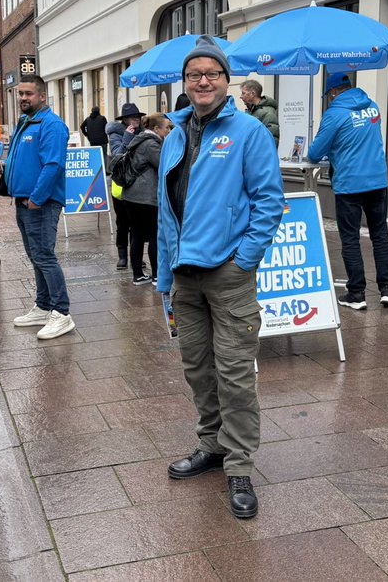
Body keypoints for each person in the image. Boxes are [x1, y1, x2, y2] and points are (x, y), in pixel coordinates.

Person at [156, 35, 283, 519]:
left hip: (228, 275)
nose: (203, 81)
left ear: (227, 81)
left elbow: (269, 201)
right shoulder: (173, 136)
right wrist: (164, 279)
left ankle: (240, 466)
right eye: (194, 75)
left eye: (212, 73)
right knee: (198, 370)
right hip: (184, 279)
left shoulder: (248, 131)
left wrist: (244, 259)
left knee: (234, 377)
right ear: (184, 83)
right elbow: (167, 216)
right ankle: (211, 446)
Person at [308, 72, 388, 310]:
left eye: (330, 95)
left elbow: (315, 153)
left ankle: (356, 294)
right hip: (377, 180)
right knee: (380, 236)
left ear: (334, 92)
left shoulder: (335, 113)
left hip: (349, 183)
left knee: (350, 239)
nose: (330, 99)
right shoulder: (373, 106)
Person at [4, 74, 76, 340]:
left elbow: (53, 165)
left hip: (40, 203)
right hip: (24, 201)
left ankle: (61, 312)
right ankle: (44, 306)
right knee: (35, 256)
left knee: (44, 256)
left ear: (42, 96)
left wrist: (37, 198)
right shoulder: (27, 121)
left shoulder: (51, 125)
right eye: (20, 93)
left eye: (28, 94)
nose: (23, 98)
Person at [118, 113, 170, 284]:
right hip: (146, 197)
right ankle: (157, 275)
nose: (169, 130)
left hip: (131, 195)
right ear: (156, 129)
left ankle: (138, 275)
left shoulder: (138, 140)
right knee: (155, 235)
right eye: (167, 127)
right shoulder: (151, 144)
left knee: (137, 235)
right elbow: (164, 166)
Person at [108, 102, 144, 269]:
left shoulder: (143, 133)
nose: (135, 119)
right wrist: (127, 139)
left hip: (138, 185)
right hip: (121, 186)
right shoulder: (116, 134)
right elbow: (117, 156)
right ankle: (122, 256)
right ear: (124, 120)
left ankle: (135, 256)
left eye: (137, 117)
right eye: (132, 117)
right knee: (123, 223)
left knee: (137, 224)